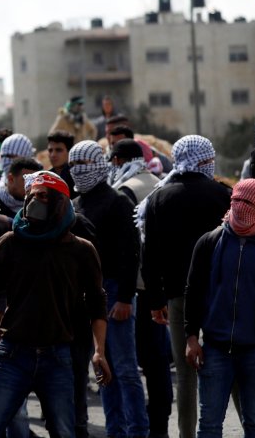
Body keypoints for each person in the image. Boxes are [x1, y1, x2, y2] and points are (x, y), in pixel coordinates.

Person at [0, 171, 111, 438]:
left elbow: (96, 302)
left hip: (57, 355)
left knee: (64, 431)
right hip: (12, 354)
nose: (35, 200)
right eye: (32, 195)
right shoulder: (10, 242)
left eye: (43, 196)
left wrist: (99, 351)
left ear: (59, 202)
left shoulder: (81, 250)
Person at [139, 135, 232, 438]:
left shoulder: (159, 198)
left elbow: (150, 255)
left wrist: (155, 300)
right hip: (222, 296)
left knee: (185, 371)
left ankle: (187, 434)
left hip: (177, 296)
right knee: (233, 366)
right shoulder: (223, 195)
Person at [69, 140, 148, 438]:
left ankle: (138, 430)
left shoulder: (117, 202)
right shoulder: (77, 204)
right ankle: (116, 430)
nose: (78, 171)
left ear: (99, 165)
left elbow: (131, 253)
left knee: (126, 369)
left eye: (84, 164)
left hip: (115, 292)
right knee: (103, 369)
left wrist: (126, 297)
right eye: (74, 165)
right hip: (89, 295)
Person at [184, 179, 255, 438]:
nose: (241, 208)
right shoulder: (209, 242)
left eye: (248, 203)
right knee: (209, 425)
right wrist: (191, 336)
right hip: (215, 348)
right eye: (237, 201)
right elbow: (193, 292)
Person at [108, 138, 170, 437]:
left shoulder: (125, 191)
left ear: (118, 161)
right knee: (158, 359)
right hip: (162, 285)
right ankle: (159, 422)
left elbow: (130, 246)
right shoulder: (160, 182)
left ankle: (137, 424)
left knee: (133, 361)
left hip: (137, 288)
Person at [46, 130, 76, 198]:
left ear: (70, 152)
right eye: (50, 150)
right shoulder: (46, 176)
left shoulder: (77, 176)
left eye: (58, 150)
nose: (53, 154)